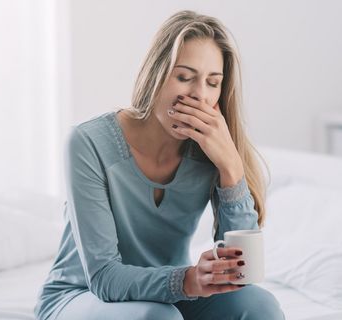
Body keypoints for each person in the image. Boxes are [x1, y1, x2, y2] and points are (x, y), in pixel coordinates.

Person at [34, 10, 284, 320]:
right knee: (159, 317)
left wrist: (231, 168)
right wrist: (189, 280)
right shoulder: (88, 142)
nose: (198, 95)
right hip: (83, 294)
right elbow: (103, 277)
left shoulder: (209, 153)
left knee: (261, 306)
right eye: (184, 77)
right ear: (156, 74)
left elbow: (241, 273)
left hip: (171, 293)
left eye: (212, 83)